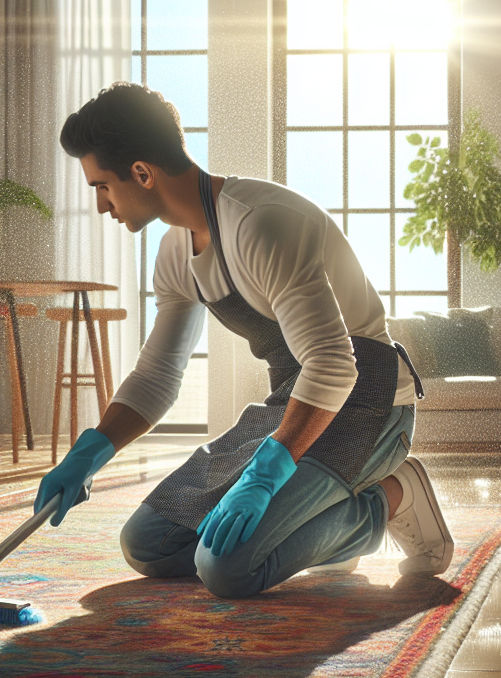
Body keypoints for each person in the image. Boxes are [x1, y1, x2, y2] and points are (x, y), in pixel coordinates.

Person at [34, 82, 453, 598]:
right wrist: (91, 452)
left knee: (228, 569)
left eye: (103, 186)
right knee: (149, 543)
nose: (102, 206)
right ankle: (313, 530)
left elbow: (334, 363)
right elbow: (158, 376)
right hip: (294, 404)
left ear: (141, 173)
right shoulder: (173, 254)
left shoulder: (261, 225)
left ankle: (390, 497)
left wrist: (266, 472)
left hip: (368, 402)